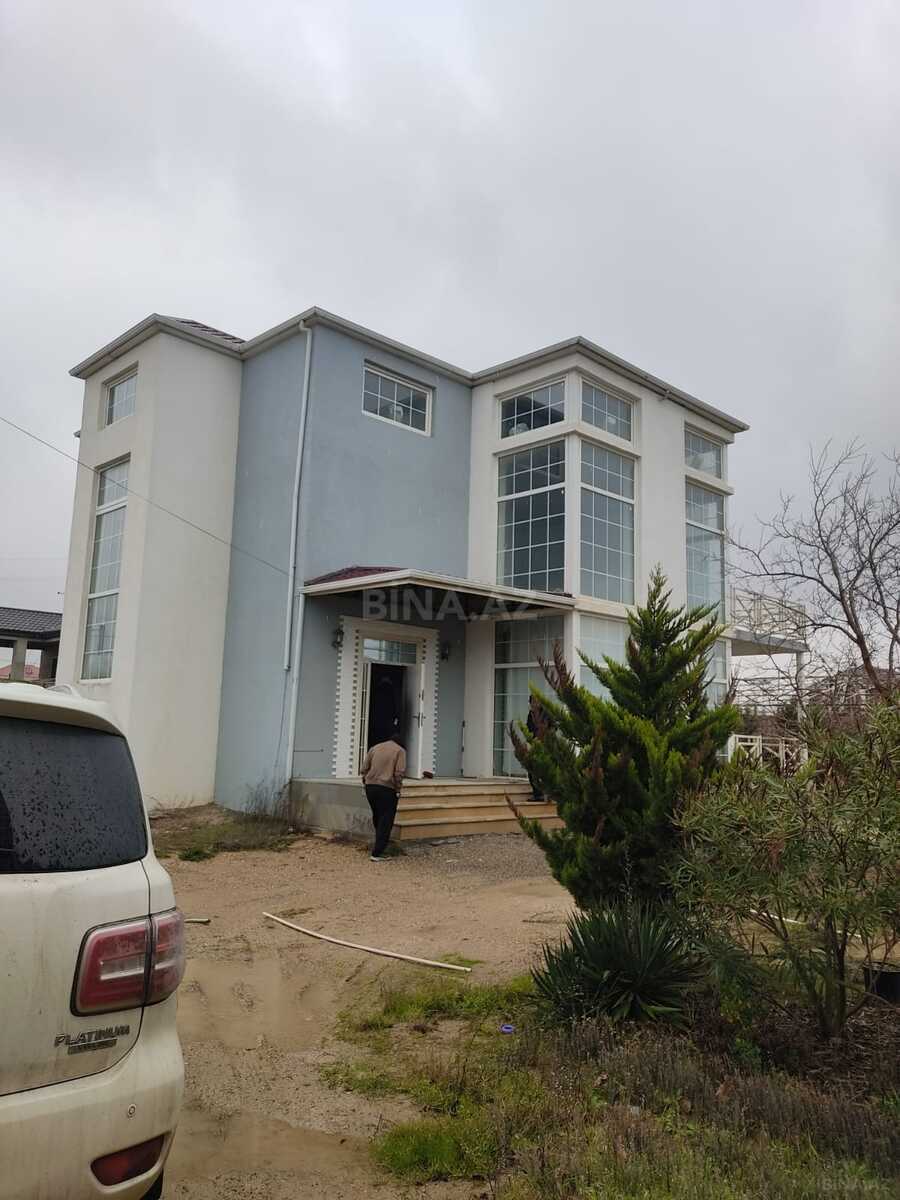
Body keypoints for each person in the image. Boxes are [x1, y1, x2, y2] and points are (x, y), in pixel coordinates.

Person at [360, 734, 406, 861]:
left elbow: (364, 768)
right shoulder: (400, 751)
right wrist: (398, 789)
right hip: (387, 788)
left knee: (377, 816)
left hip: (370, 787)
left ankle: (379, 844)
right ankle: (378, 852)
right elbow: (399, 773)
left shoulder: (375, 748)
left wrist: (365, 780)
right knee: (386, 819)